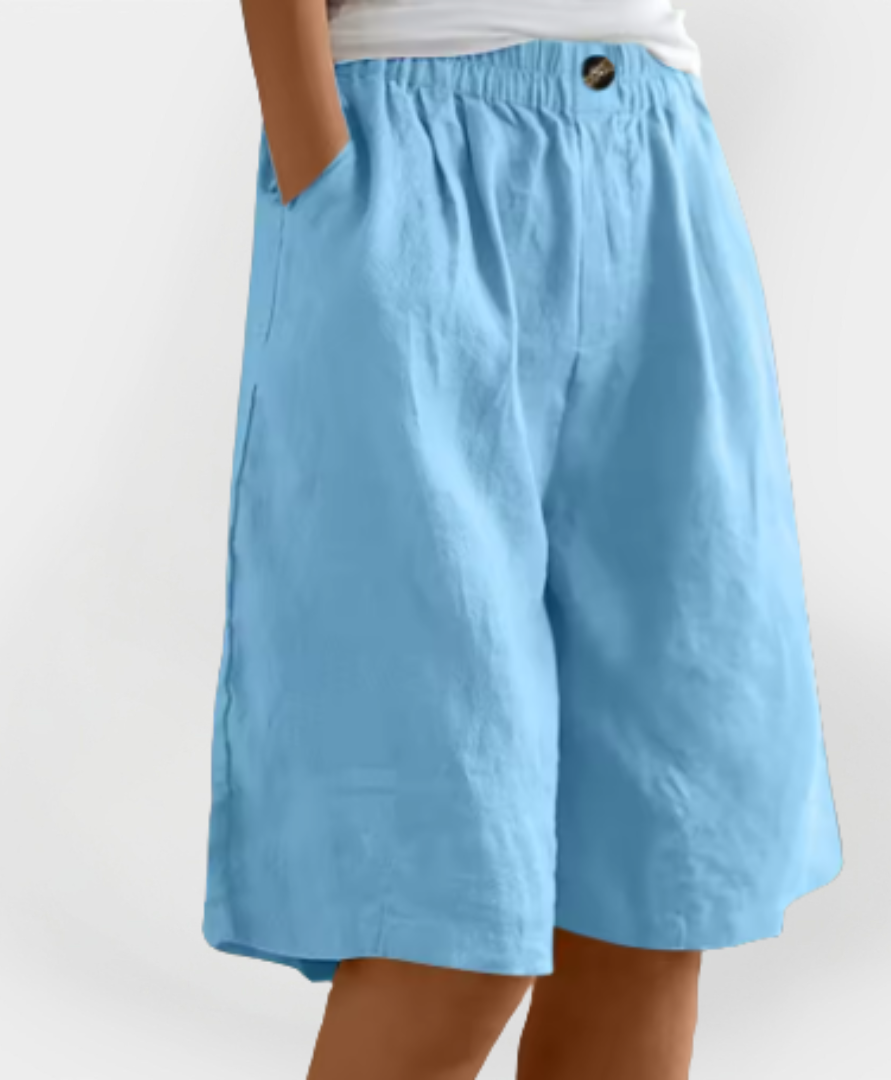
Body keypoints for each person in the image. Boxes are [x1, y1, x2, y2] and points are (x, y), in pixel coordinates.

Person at [201, 2, 845, 1077]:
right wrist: (321, 169)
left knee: (648, 908)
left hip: (656, 158)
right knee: (442, 925)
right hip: (408, 150)